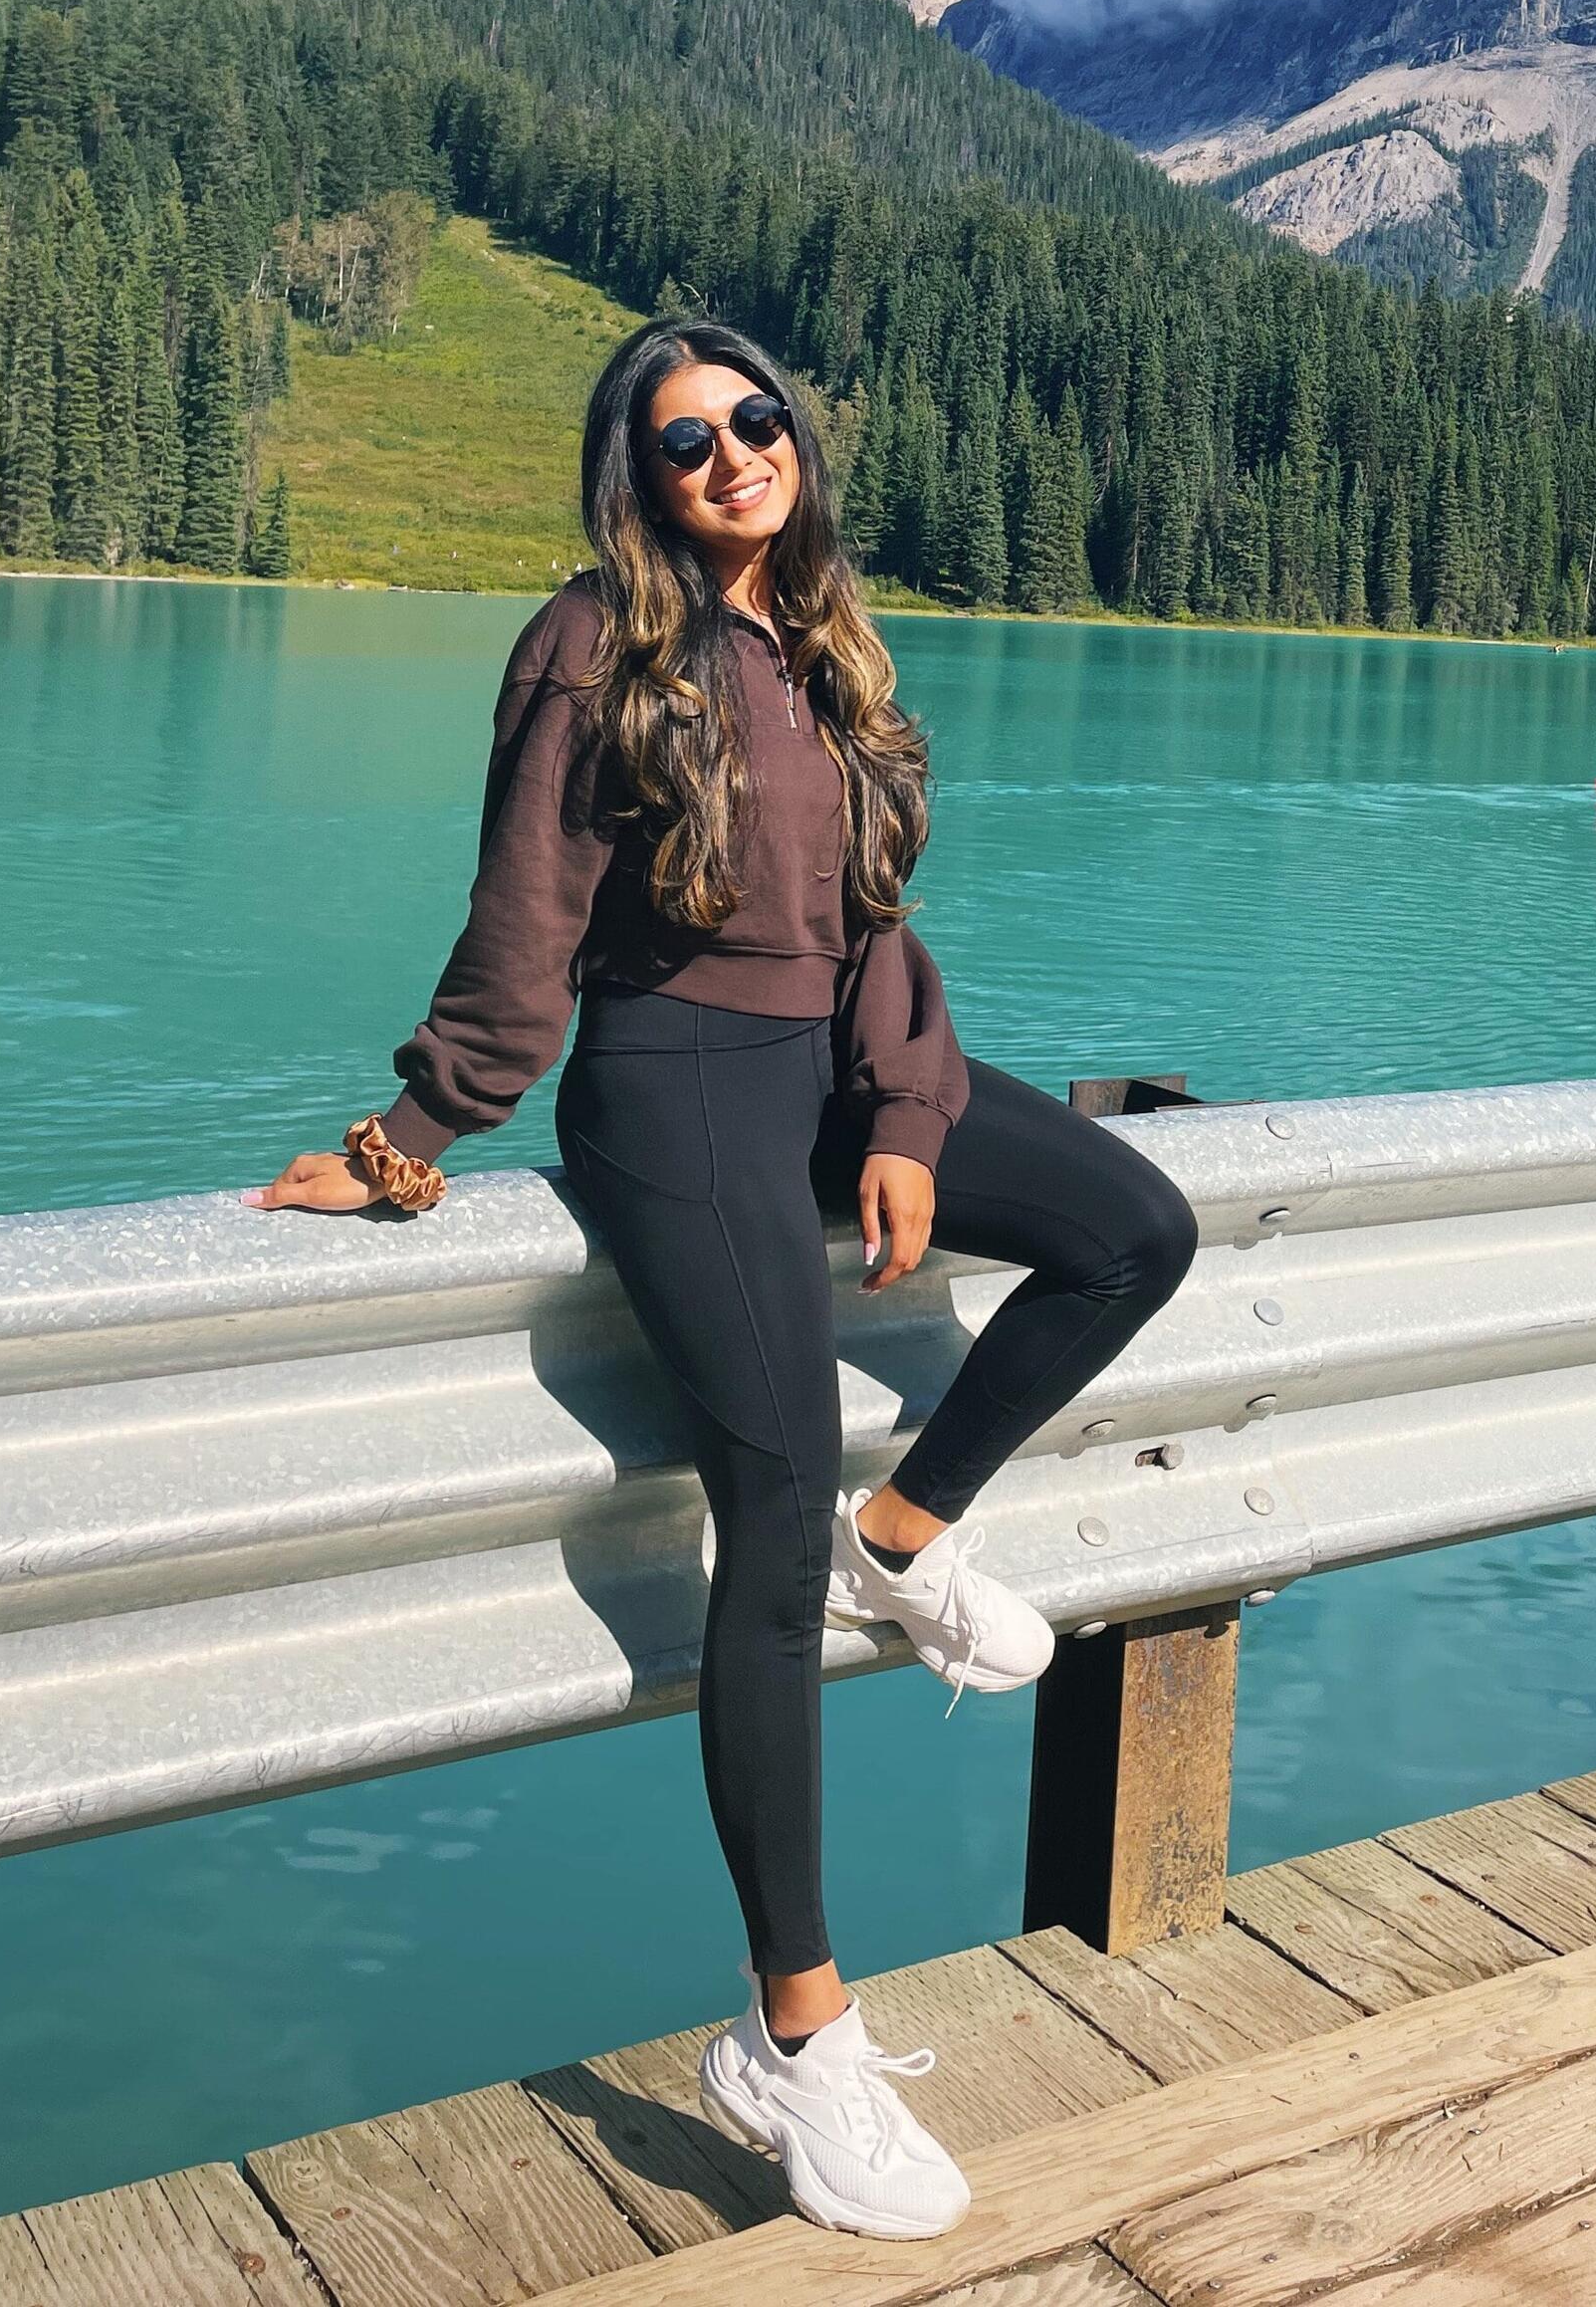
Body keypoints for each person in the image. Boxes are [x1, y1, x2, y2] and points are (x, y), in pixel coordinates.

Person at [248, 318, 1198, 2241]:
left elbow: (872, 927)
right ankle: (798, 2038)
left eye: (755, 424)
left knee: (1133, 1230)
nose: (732, 459)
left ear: (795, 440)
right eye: (686, 445)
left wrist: (912, 1118)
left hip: (826, 1073)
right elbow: (526, 909)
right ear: (640, 480)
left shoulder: (829, 636)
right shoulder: (594, 643)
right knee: (760, 1520)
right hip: (672, 1091)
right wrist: (413, 1140)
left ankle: (911, 1535)